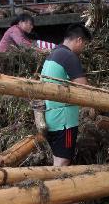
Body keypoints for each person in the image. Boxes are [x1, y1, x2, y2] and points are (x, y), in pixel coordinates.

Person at [39, 24, 92, 167]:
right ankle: (56, 188)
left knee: (58, 158)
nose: (84, 48)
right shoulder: (69, 56)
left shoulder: (53, 54)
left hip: (50, 117)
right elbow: (83, 88)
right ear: (79, 40)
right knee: (63, 160)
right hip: (64, 122)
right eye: (85, 44)